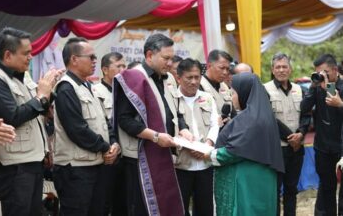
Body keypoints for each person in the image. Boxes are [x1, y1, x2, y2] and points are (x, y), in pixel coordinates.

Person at [113, 33, 184, 216]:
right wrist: (155, 136)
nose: (170, 63)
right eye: (166, 58)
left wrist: (183, 129)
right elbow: (124, 120)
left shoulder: (167, 79)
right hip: (140, 157)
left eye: (172, 58)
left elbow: (173, 111)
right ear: (149, 55)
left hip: (165, 153)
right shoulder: (134, 78)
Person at [0, 27, 62, 216]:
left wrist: (49, 91)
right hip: (14, 167)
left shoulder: (23, 76)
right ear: (8, 55)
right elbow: (13, 117)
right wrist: (41, 96)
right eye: (26, 53)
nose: (30, 57)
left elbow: (37, 108)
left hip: (32, 161)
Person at [53, 37, 121, 216]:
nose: (94, 61)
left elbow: (104, 121)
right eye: (90, 57)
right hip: (75, 169)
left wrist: (113, 143)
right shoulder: (66, 88)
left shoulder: (87, 85)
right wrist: (106, 147)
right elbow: (77, 130)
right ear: (74, 59)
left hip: (93, 164)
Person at [205, 73, 284, 216]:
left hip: (246, 180)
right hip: (262, 178)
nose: (231, 97)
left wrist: (210, 154)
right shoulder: (262, 115)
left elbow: (234, 151)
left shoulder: (250, 119)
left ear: (244, 92)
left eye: (233, 92)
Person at [264, 53, 310, 216]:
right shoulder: (265, 89)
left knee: (292, 189)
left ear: (290, 69)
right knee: (274, 190)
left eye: (284, 66)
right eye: (278, 67)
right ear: (272, 69)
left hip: (297, 149)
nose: (281, 70)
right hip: (278, 149)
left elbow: (306, 115)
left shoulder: (299, 89)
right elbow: (268, 119)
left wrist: (301, 134)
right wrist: (292, 138)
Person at [172, 58, 219, 216]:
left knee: (206, 208)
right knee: (180, 208)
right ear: (179, 78)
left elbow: (215, 124)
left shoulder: (207, 97)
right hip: (180, 165)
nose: (194, 81)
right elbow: (170, 128)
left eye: (197, 77)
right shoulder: (171, 99)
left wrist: (208, 144)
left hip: (205, 164)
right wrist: (186, 146)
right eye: (189, 77)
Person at [301, 54, 343, 216]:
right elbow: (304, 108)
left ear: (334, 70)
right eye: (318, 72)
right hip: (323, 146)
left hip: (341, 145)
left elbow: (334, 103)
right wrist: (313, 86)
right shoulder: (317, 87)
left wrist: (336, 98)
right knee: (326, 188)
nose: (321, 76)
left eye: (324, 72)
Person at [92, 52, 127, 216]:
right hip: (107, 154)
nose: (123, 69)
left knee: (123, 202)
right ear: (105, 70)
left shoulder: (127, 91)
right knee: (103, 202)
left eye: (124, 66)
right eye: (118, 66)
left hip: (126, 153)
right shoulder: (95, 92)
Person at [200, 50, 233, 125]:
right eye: (222, 68)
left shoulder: (224, 86)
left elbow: (233, 112)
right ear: (209, 66)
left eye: (227, 69)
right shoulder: (199, 86)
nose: (225, 72)